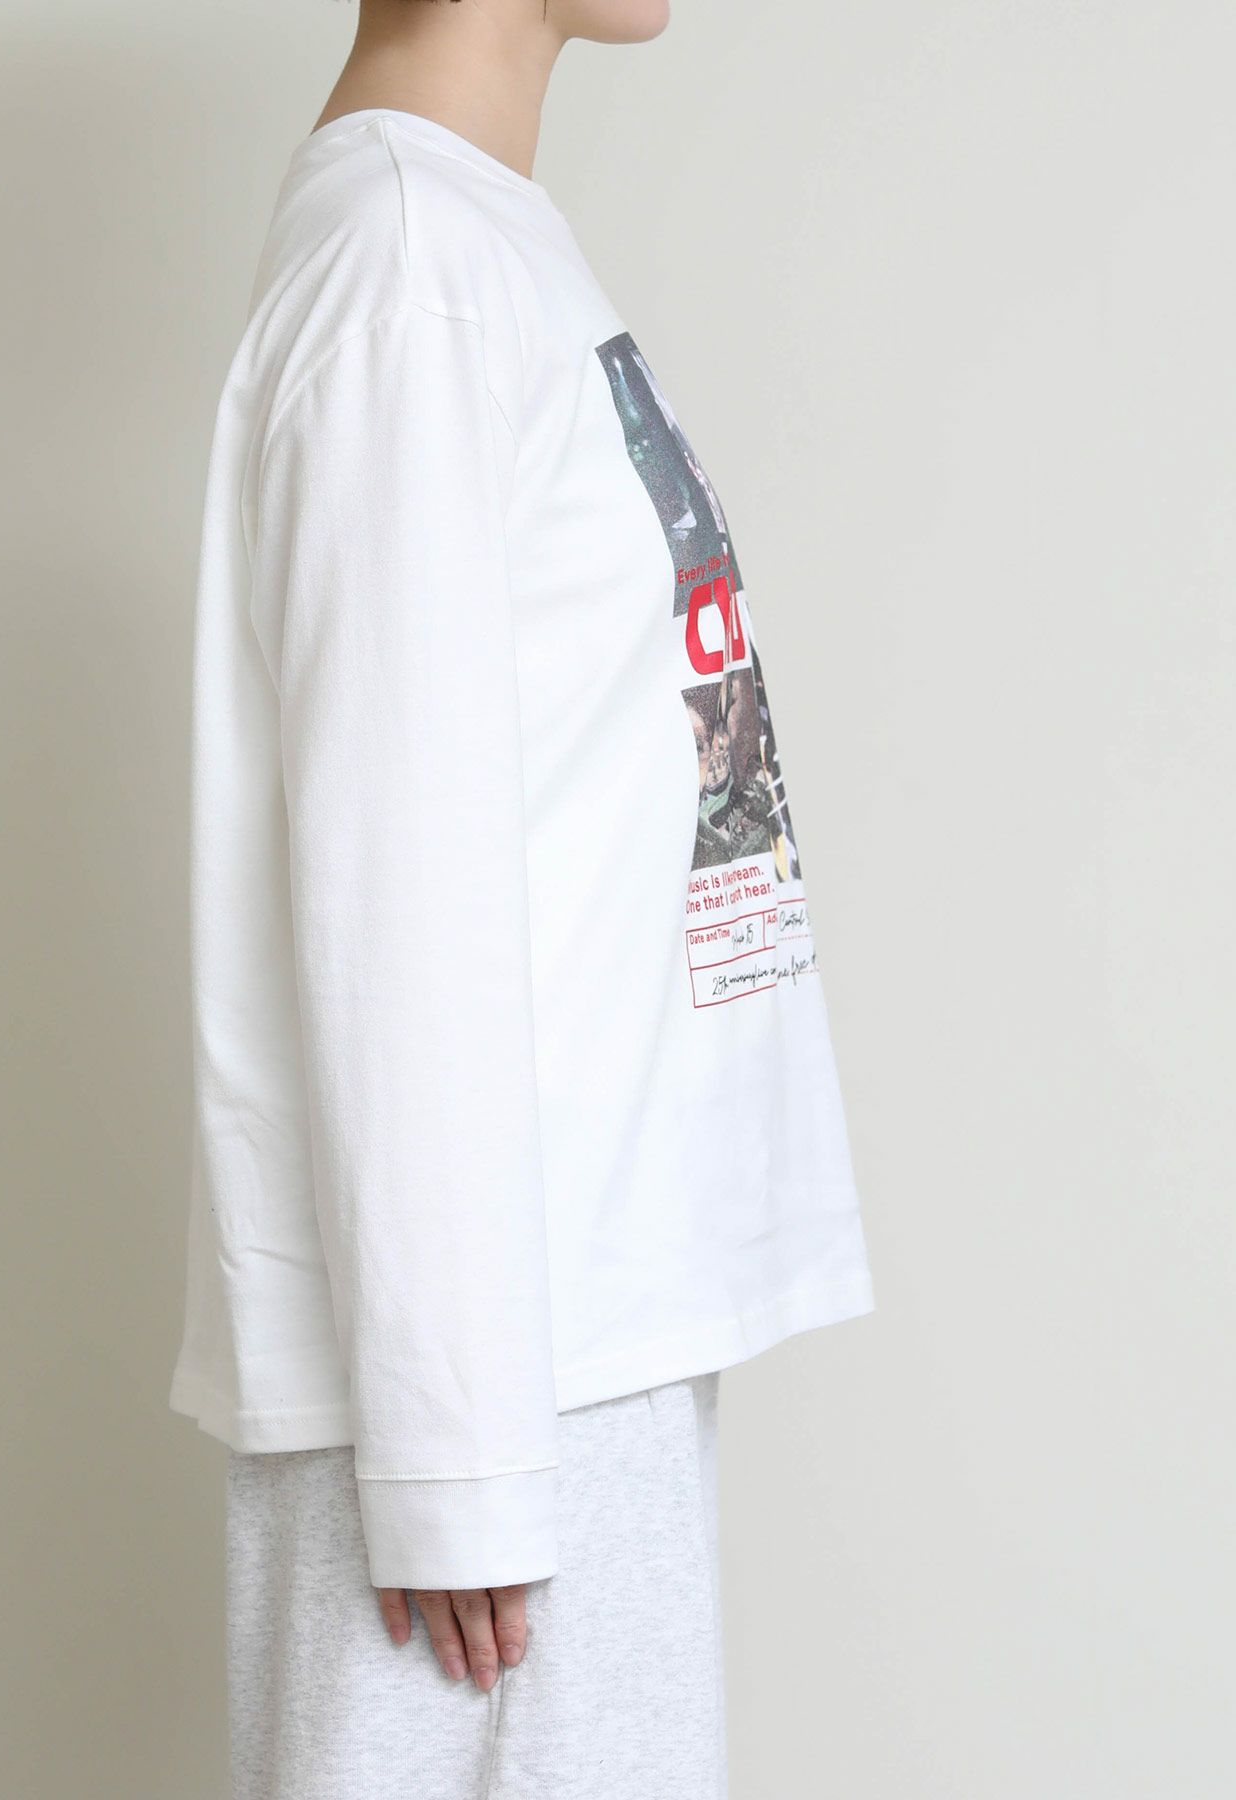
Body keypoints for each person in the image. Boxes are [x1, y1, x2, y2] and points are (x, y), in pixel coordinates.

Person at [170, 3, 874, 1794]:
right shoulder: (408, 272)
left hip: (558, 1348)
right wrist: (451, 1452)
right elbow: (393, 874)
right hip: (493, 1393)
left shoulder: (474, 246)